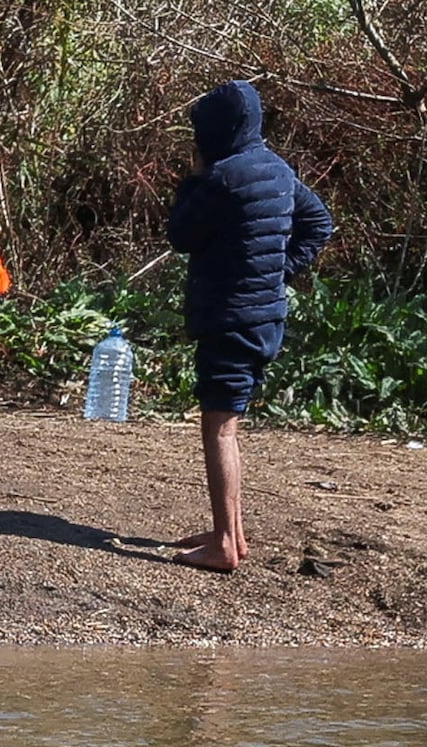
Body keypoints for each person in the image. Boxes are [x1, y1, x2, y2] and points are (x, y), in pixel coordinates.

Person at [162, 82, 335, 572]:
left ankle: (223, 545)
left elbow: (180, 234)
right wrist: (278, 273)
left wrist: (193, 179)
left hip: (231, 319)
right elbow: (319, 222)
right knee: (230, 425)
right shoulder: (277, 169)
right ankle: (232, 532)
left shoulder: (222, 177)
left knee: (218, 428)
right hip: (265, 317)